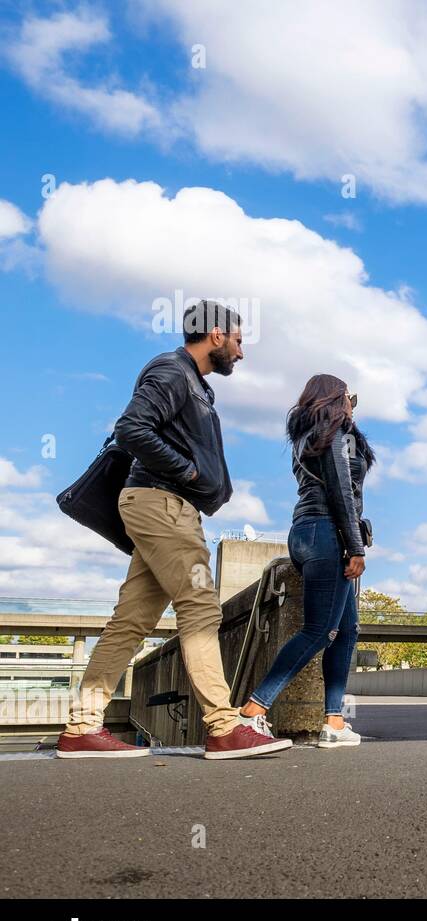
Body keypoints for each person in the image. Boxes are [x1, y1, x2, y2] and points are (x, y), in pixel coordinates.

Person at [58, 302, 290, 760]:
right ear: (217, 335)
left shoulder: (193, 383)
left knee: (130, 623)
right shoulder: (172, 371)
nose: (241, 354)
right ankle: (223, 727)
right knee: (201, 608)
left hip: (162, 505)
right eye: (240, 341)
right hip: (163, 504)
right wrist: (185, 472)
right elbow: (130, 429)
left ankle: (82, 727)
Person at [239, 375, 374, 748]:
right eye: (350, 398)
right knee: (318, 630)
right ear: (336, 398)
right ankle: (253, 710)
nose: (352, 406)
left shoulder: (306, 435)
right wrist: (355, 546)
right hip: (327, 533)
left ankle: (334, 721)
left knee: (345, 632)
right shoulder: (336, 434)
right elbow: (342, 492)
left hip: (304, 533)